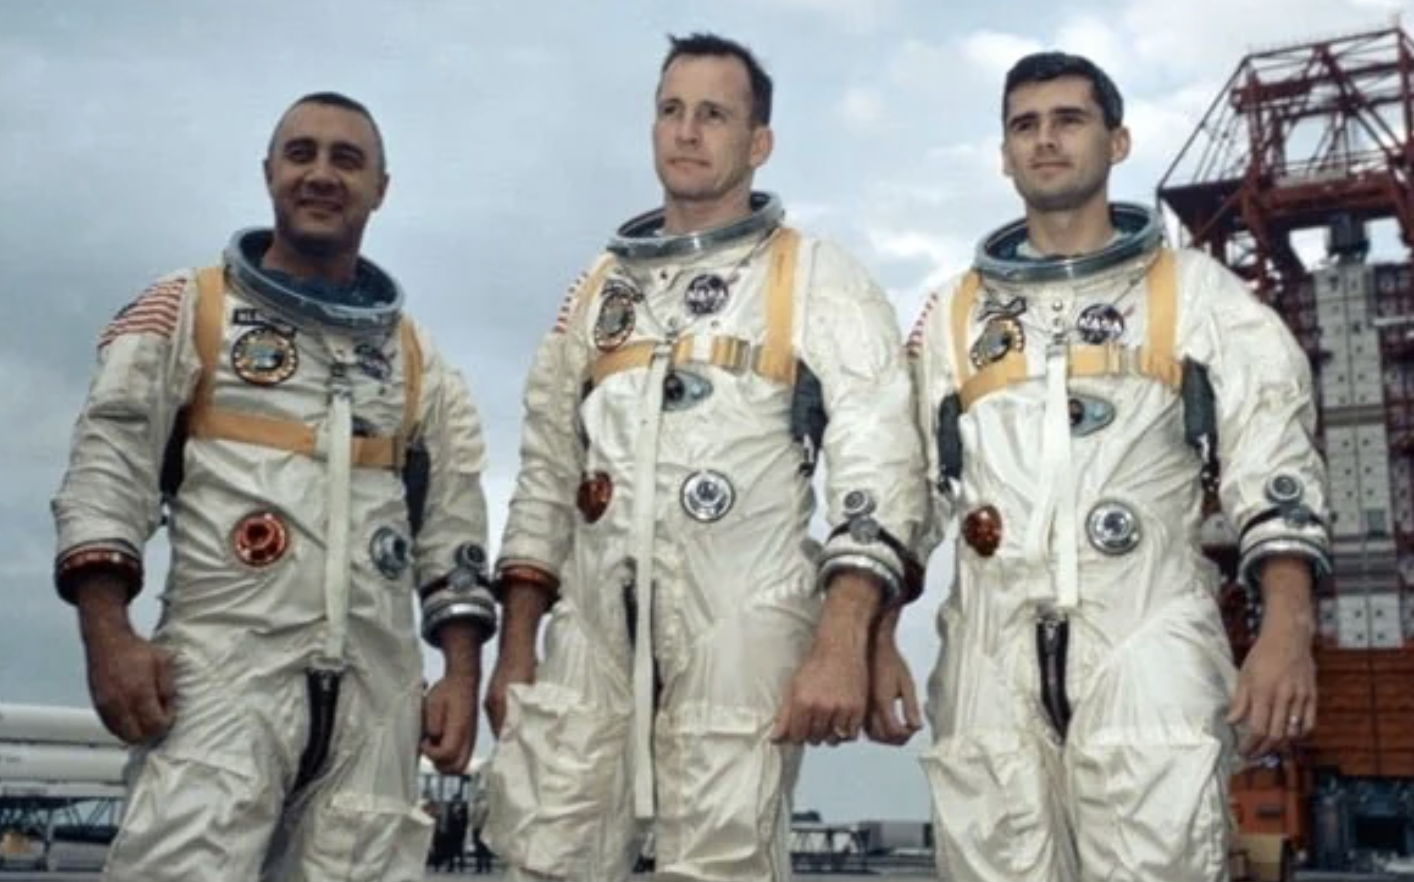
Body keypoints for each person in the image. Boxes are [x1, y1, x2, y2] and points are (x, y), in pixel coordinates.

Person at [481, 32, 926, 882]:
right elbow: (545, 475)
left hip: (744, 614)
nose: (686, 132)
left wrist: (842, 639)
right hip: (595, 624)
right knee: (545, 850)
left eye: (713, 115)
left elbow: (880, 464)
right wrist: (516, 652)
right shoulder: (599, 289)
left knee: (721, 860)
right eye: (671, 111)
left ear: (758, 143)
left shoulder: (817, 277)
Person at [901, 52, 1330, 881]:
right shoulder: (955, 315)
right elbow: (900, 486)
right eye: (1024, 125)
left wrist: (1287, 628)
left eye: (1069, 120)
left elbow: (1272, 465)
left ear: (1118, 139)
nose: (1045, 140)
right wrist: (871, 632)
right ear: (1003, 155)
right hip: (991, 650)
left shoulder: (1196, 295)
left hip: (1146, 638)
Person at [50, 91, 496, 882]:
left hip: (375, 689)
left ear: (381, 188)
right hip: (221, 677)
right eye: (303, 155)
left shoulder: (419, 359)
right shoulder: (192, 310)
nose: (322, 175)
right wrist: (108, 635)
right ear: (269, 173)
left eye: (346, 160)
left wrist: (460, 674)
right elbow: (108, 468)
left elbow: (453, 524)